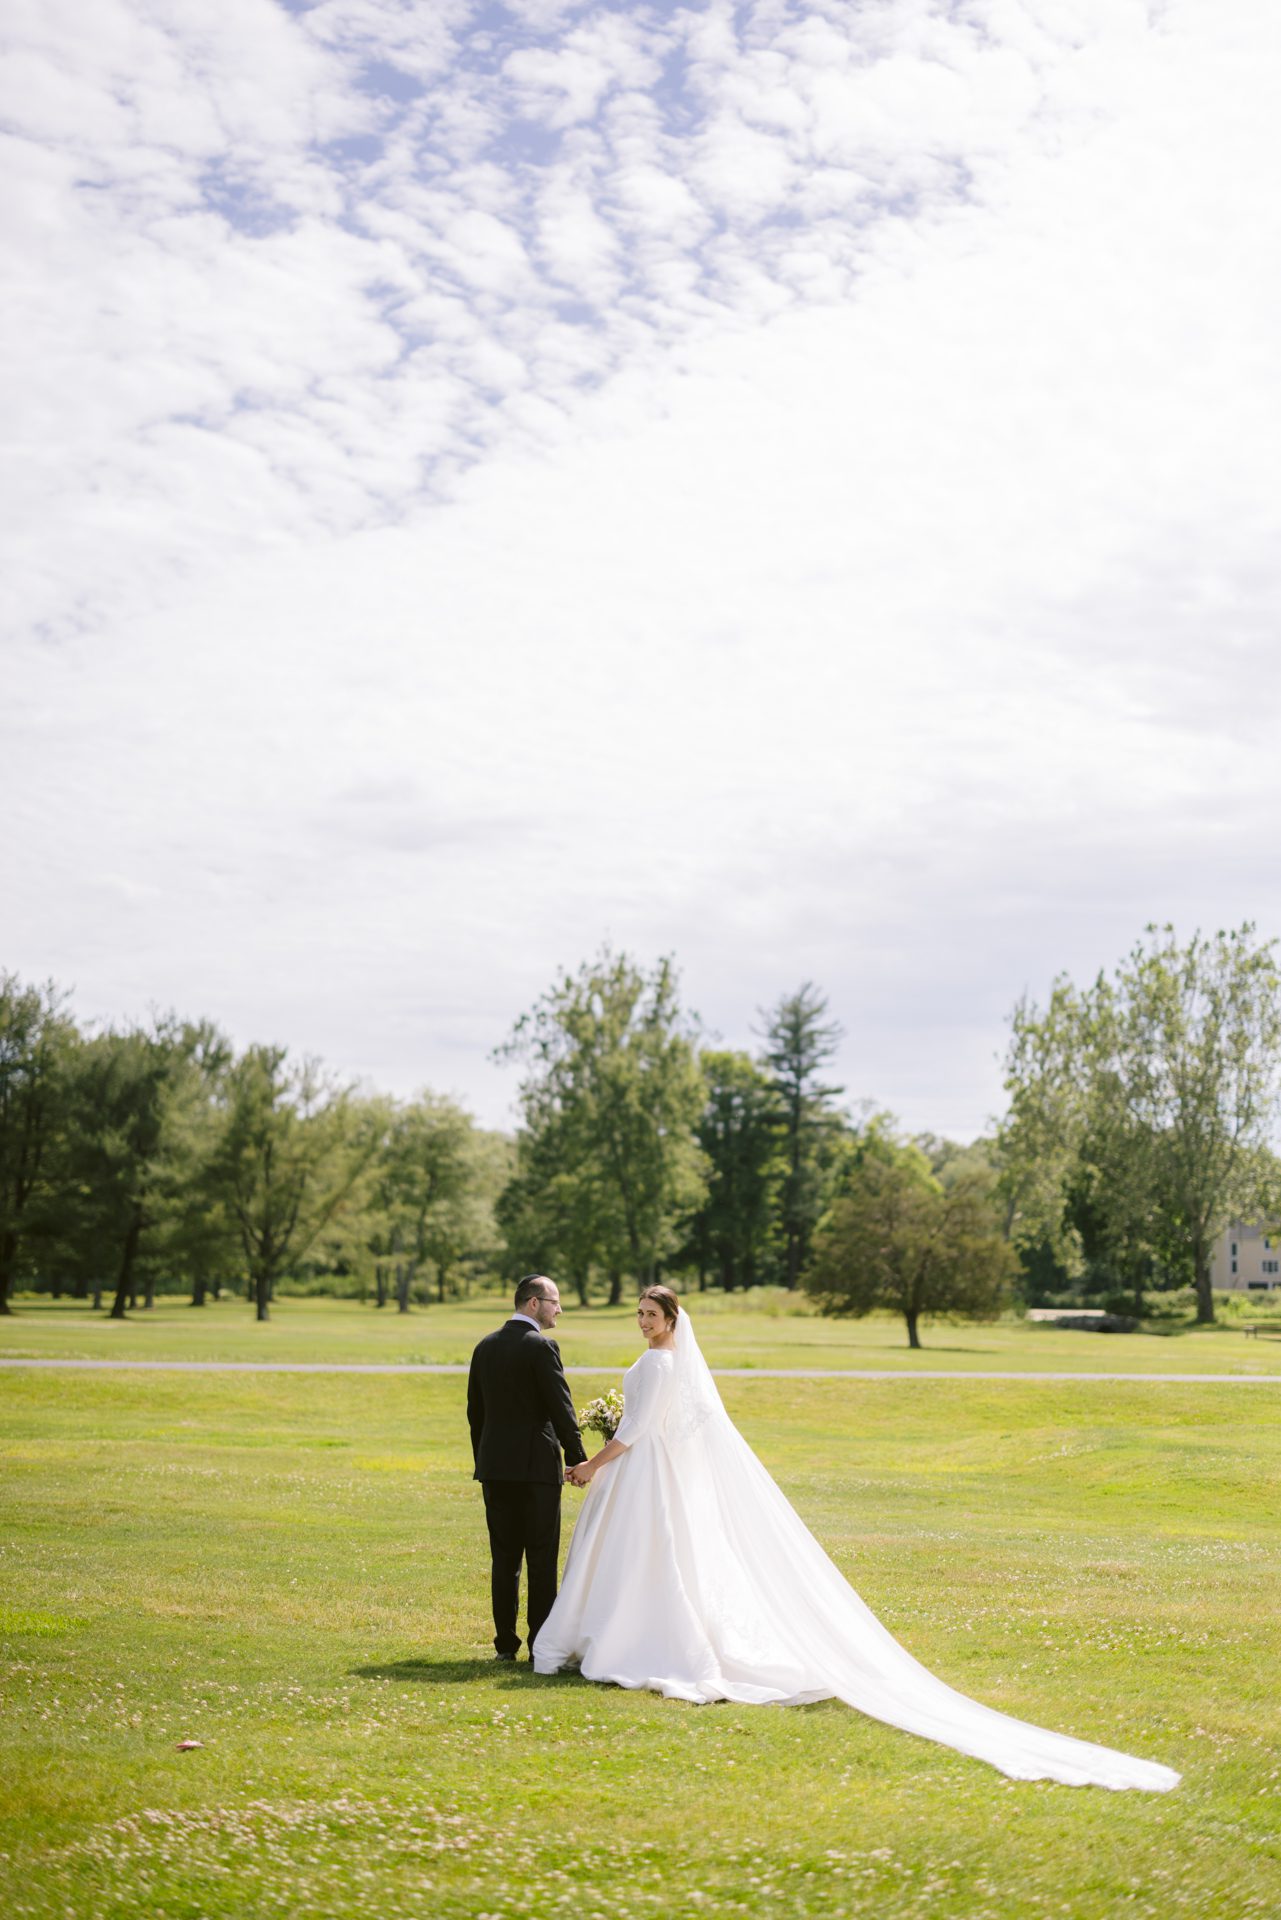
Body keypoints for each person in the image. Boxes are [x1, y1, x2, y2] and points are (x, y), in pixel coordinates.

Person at [532, 1285, 1180, 1792]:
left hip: (643, 1470)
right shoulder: (662, 1363)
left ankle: (634, 1642)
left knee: (649, 1560)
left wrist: (592, 1464)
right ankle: (626, 1633)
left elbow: (641, 1428)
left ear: (672, 1321)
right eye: (640, 1314)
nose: (643, 1322)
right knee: (657, 1561)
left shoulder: (659, 1365)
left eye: (651, 1314)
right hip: (651, 1474)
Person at [467, 1275, 587, 1661]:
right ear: (533, 1304)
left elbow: (476, 1414)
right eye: (554, 1301)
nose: (559, 1309)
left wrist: (484, 1459)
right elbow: (560, 1407)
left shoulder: (484, 1346)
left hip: (495, 1469)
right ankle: (540, 1648)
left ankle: (505, 1647)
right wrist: (577, 1457)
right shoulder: (542, 1347)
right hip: (536, 1470)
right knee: (540, 1559)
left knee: (503, 1560)